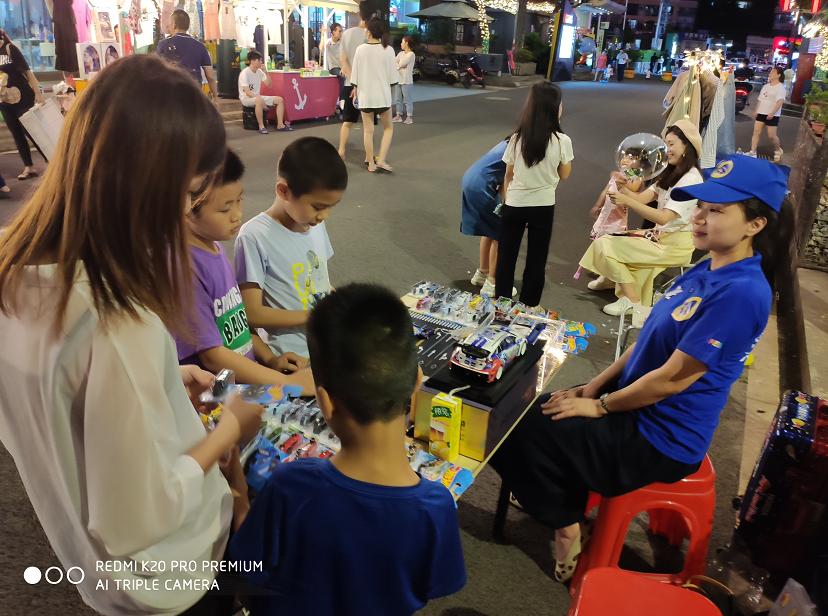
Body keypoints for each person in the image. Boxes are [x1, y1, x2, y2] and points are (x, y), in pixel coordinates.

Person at [0, 54, 265, 615]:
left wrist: (166, 377)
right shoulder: (118, 318)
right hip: (168, 575)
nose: (186, 215)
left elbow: (60, 412)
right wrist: (228, 432)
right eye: (190, 195)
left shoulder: (14, 271)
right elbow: (137, 517)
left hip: (87, 560)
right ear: (147, 186)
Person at [491, 154, 792, 584]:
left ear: (755, 226)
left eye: (717, 211)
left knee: (515, 428)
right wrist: (590, 389)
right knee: (526, 406)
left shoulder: (743, 292)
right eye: (701, 208)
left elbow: (672, 379)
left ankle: (566, 523)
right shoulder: (708, 265)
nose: (700, 219)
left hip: (661, 437)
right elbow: (646, 343)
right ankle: (563, 497)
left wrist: (602, 407)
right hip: (634, 405)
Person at [227, 283, 467, 614]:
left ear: (324, 402)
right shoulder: (437, 508)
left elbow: (245, 571)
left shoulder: (291, 486)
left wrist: (238, 491)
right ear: (415, 384)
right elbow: (435, 584)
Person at [175, 148, 314, 393]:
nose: (237, 215)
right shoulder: (184, 269)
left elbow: (236, 320)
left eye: (239, 200)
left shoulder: (213, 247)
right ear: (188, 207)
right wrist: (287, 384)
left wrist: (270, 359)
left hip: (244, 378)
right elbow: (213, 356)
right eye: (225, 208)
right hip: (217, 395)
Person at [235, 137, 347, 359]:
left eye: (330, 207)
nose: (324, 216)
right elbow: (251, 313)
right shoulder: (254, 236)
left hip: (327, 344)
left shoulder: (315, 224)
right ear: (283, 191)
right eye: (318, 207)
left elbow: (319, 280)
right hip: (292, 356)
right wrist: (313, 315)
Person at [579, 120, 703, 316]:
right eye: (665, 143)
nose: (666, 149)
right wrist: (622, 186)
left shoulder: (691, 179)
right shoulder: (670, 174)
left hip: (674, 245)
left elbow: (664, 218)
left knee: (606, 244)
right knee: (609, 238)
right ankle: (613, 280)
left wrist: (626, 200)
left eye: (671, 144)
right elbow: (641, 198)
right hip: (658, 236)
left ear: (687, 145)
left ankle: (633, 302)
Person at [494, 82, 573, 308]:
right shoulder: (561, 140)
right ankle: (529, 304)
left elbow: (509, 172)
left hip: (515, 203)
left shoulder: (518, 138)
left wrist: (507, 197)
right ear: (554, 108)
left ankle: (502, 302)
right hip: (543, 205)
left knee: (507, 256)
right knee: (537, 258)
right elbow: (565, 174)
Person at [462, 138, 517, 298]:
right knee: (501, 233)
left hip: (472, 179)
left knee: (489, 230)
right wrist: (508, 206)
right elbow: (510, 176)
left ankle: (482, 273)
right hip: (483, 185)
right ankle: (492, 283)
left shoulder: (510, 140)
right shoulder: (521, 144)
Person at [350, 17, 398, 173]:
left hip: (366, 97)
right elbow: (392, 79)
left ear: (369, 31)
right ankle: (382, 159)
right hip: (383, 96)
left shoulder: (360, 49)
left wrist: (356, 91)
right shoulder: (389, 50)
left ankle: (370, 163)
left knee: (368, 131)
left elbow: (355, 77)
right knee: (388, 128)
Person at [0, 28, 44, 180]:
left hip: (23, 97)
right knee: (17, 134)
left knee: (32, 132)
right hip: (4, 101)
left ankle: (52, 162)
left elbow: (28, 72)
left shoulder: (9, 48)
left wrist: (38, 94)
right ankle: (29, 166)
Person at [157, 9, 219, 102]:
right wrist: (215, 97)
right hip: (194, 93)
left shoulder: (163, 44)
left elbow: (156, 71)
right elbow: (210, 76)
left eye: (170, 23)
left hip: (171, 94)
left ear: (174, 24)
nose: (168, 25)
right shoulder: (200, 46)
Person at [338, 1, 371, 159]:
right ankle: (368, 157)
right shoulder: (372, 36)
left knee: (348, 121)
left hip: (349, 84)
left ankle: (342, 150)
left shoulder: (347, 34)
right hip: (367, 86)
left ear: (360, 14)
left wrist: (352, 81)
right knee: (368, 124)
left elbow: (343, 61)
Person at [238, 50, 289, 134]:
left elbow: (269, 85)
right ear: (252, 61)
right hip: (246, 98)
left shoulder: (259, 72)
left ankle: (280, 124)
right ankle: (261, 126)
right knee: (259, 100)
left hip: (257, 97)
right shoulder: (245, 73)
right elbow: (247, 92)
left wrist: (266, 72)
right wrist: (260, 100)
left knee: (280, 100)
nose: (261, 62)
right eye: (259, 60)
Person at [748, 66, 786, 162]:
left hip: (772, 115)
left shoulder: (780, 87)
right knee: (756, 132)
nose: (770, 73)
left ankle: (778, 150)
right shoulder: (765, 86)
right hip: (761, 113)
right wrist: (756, 110)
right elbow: (760, 100)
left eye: (773, 72)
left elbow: (780, 101)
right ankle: (753, 151)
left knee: (771, 136)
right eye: (770, 72)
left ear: (778, 75)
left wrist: (772, 113)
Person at [392, 35, 416, 124]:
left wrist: (399, 65)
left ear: (406, 43)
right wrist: (399, 66)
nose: (401, 44)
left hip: (407, 81)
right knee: (398, 99)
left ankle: (409, 117)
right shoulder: (400, 53)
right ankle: (398, 116)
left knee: (407, 99)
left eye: (402, 42)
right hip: (399, 79)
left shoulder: (411, 54)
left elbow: (402, 63)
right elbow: (394, 62)